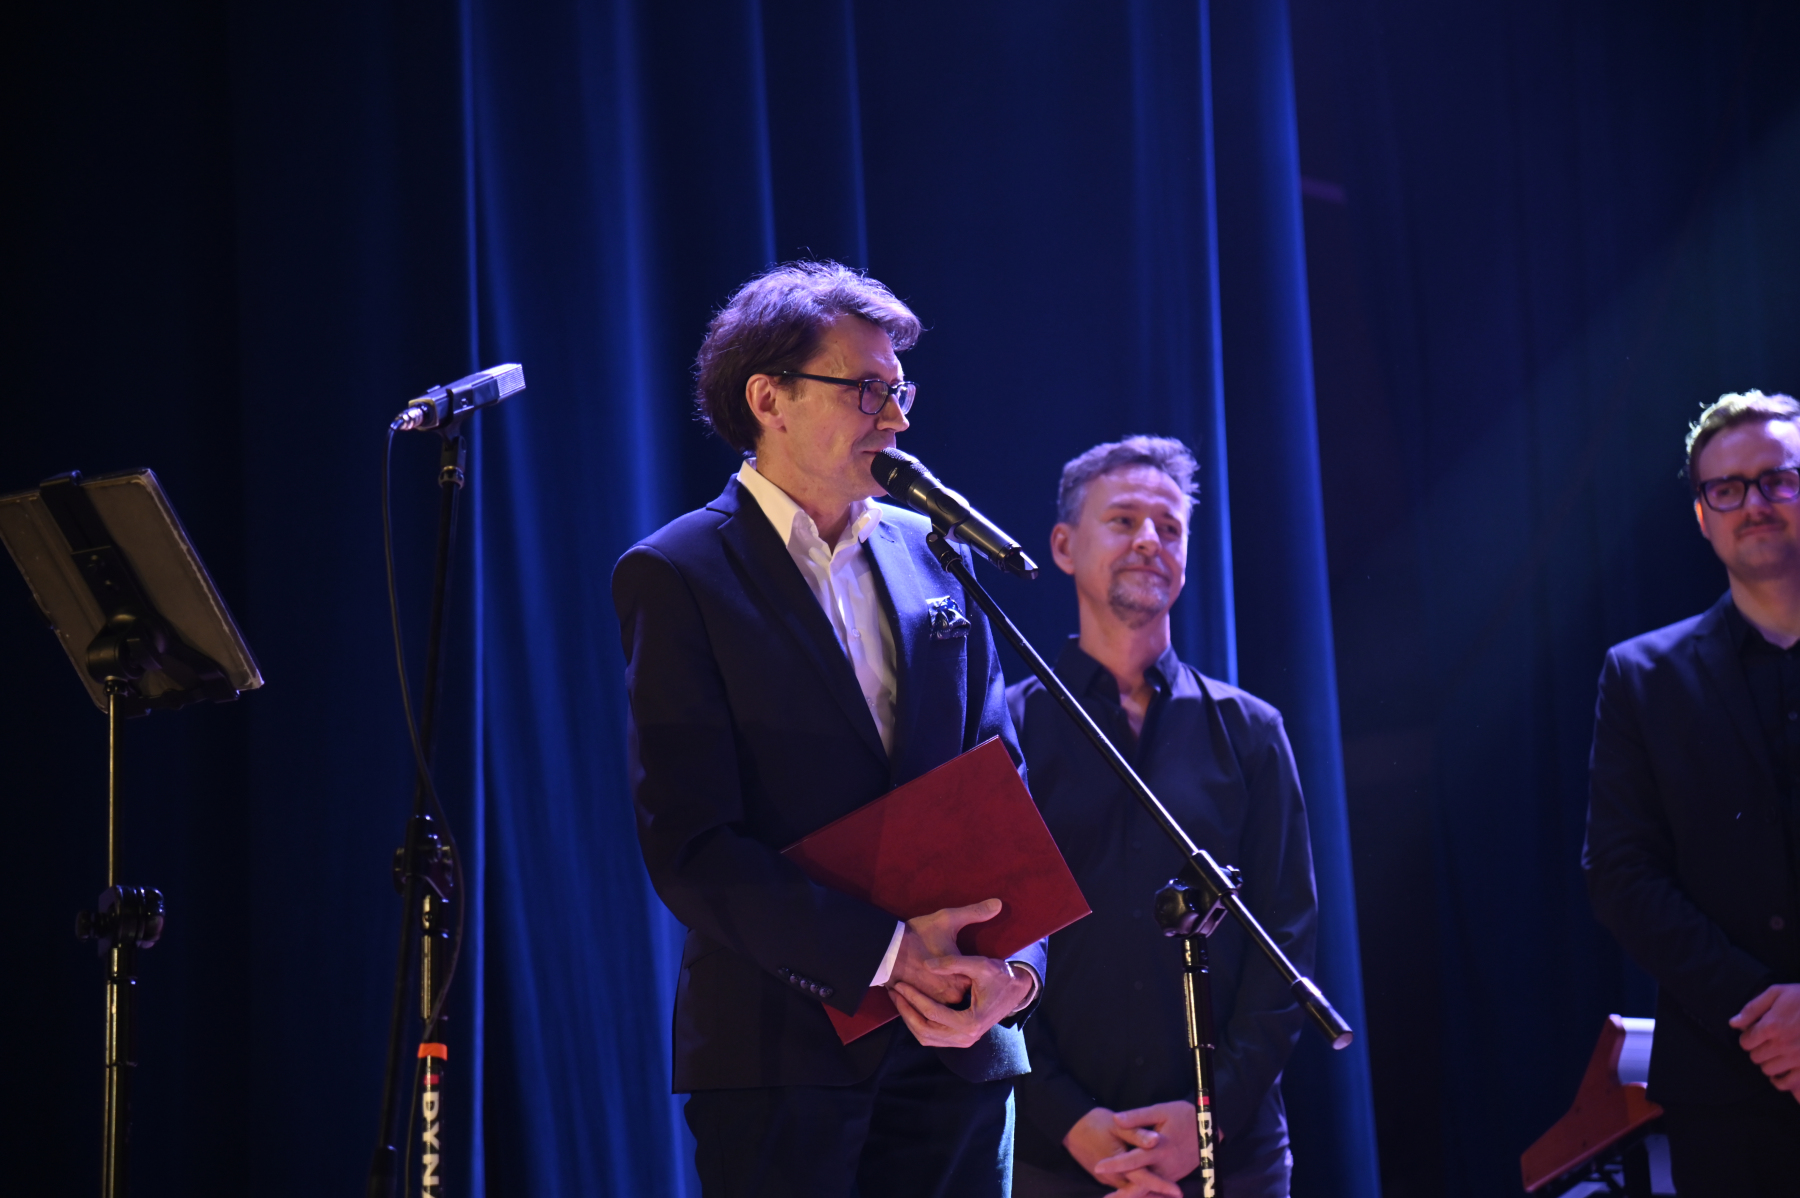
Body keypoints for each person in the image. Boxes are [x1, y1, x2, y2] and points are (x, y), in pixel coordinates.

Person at [611, 261, 1046, 1198]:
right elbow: (690, 844)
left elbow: (999, 788)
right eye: (867, 390)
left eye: (901, 392)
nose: (896, 420)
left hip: (961, 1044)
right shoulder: (678, 571)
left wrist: (1017, 969)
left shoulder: (936, 551)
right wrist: (887, 956)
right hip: (785, 1052)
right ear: (768, 398)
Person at [1005, 437, 1318, 1198]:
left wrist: (1208, 1116)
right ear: (1063, 546)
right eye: (1124, 520)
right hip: (1057, 1157)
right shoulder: (1004, 729)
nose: (1150, 540)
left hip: (1230, 1156)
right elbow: (987, 942)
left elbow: (1286, 941)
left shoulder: (1251, 730)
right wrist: (1069, 1118)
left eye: (1170, 528)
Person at [1585, 390, 1800, 1194]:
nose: (1755, 503)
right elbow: (1620, 873)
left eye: (1779, 478)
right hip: (1727, 1082)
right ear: (1704, 518)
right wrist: (1765, 1015)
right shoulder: (1641, 677)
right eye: (1728, 488)